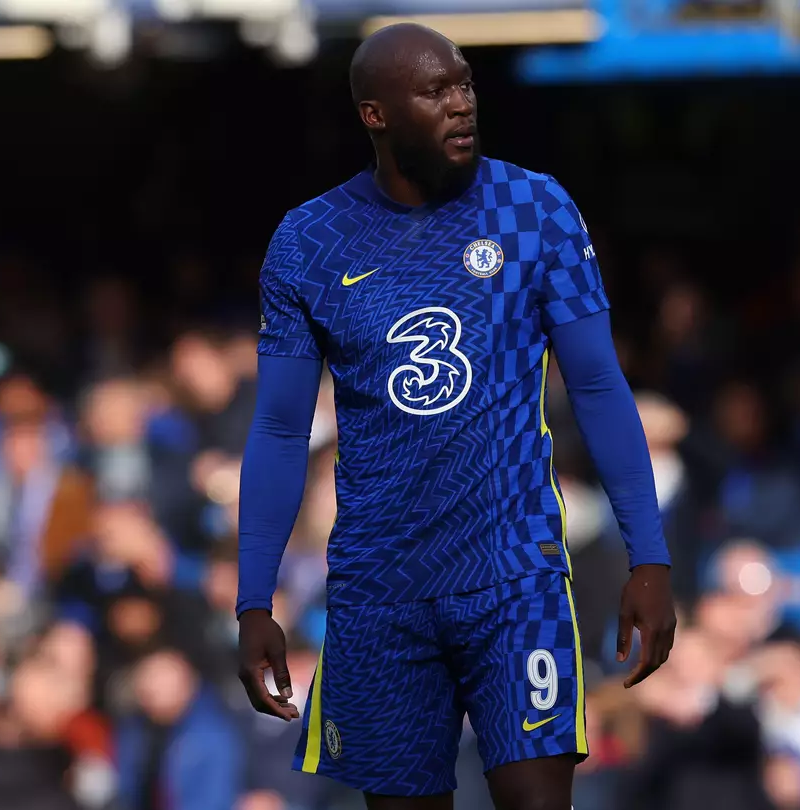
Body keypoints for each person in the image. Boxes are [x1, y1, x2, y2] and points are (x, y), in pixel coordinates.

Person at [235, 23, 676, 810]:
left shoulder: (534, 209)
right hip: (379, 593)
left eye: (465, 84)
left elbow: (601, 388)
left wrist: (651, 556)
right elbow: (278, 429)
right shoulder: (308, 241)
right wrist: (253, 600)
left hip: (515, 578)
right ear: (375, 114)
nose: (461, 103)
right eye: (434, 91)